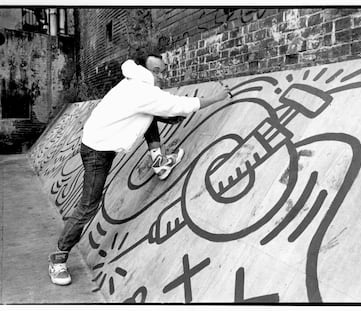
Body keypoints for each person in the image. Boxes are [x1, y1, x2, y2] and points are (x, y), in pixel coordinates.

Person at [48, 52, 230, 285]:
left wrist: (170, 115)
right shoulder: (142, 91)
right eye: (156, 71)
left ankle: (158, 160)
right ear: (144, 70)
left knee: (156, 114)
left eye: (163, 70)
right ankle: (58, 258)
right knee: (88, 206)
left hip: (99, 140)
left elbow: (158, 107)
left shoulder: (135, 81)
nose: (161, 75)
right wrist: (218, 97)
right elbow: (180, 105)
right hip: (97, 152)